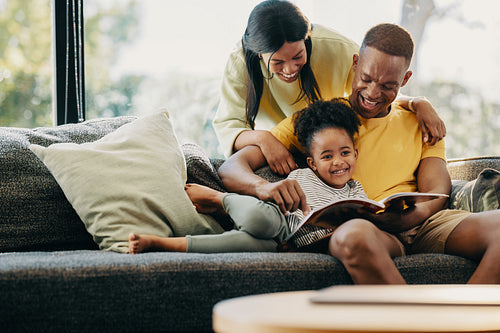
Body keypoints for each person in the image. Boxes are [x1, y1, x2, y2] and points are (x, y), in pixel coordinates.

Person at [218, 23, 500, 284]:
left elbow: (436, 190)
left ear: (406, 79)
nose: (373, 93)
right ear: (355, 64)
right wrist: (263, 187)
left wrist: (413, 216)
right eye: (366, 79)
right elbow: (231, 168)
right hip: (369, 231)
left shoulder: (418, 120)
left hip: (422, 223)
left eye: (388, 85)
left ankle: (466, 324)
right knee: (351, 237)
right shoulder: (321, 120)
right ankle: (418, 323)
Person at [212, 0, 446, 176]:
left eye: (297, 56)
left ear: (307, 39)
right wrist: (264, 139)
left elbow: (374, 92)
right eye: (278, 62)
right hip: (278, 147)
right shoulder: (240, 61)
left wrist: (418, 103)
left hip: (327, 150)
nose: (290, 69)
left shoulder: (337, 48)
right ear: (258, 55)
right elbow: (229, 125)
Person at [128, 99, 376, 254]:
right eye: (327, 156)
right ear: (312, 162)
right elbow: (268, 203)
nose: (339, 162)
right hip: (277, 223)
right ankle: (219, 200)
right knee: (262, 221)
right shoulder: (300, 176)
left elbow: (369, 221)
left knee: (249, 245)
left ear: (355, 154)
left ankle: (163, 244)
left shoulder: (355, 190)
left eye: (345, 153)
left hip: (284, 245)